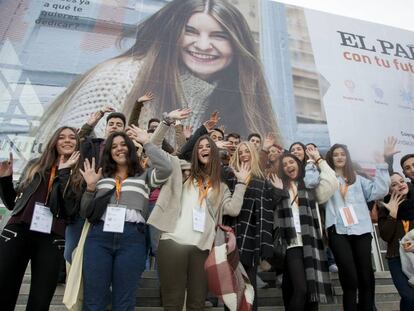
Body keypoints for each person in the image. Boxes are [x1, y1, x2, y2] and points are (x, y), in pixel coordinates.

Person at [36, 0, 281, 143]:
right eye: (191, 32)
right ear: (173, 33)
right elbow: (68, 147)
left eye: (219, 36)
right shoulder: (120, 77)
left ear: (238, 48)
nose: (204, 45)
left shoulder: (237, 100)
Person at [150, 134, 250, 310]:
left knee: (197, 304)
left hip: (202, 250)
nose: (204, 149)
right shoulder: (180, 170)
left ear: (215, 153)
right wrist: (166, 122)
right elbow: (153, 147)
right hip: (172, 242)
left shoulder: (221, 186)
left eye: (208, 146)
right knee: (173, 302)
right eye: (200, 147)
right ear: (195, 152)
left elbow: (233, 209)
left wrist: (241, 183)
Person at [79, 129, 172, 311]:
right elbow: (85, 212)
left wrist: (147, 144)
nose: (119, 149)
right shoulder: (100, 176)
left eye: (123, 145)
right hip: (99, 237)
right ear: (109, 152)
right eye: (114, 146)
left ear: (130, 148)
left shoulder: (145, 176)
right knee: (94, 300)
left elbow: (166, 168)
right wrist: (90, 188)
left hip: (132, 238)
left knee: (124, 301)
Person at [0, 126, 82, 311]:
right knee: (3, 289)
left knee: (40, 298)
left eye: (72, 137)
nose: (67, 140)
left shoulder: (79, 173)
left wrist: (63, 172)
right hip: (18, 230)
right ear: (54, 141)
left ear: (78, 143)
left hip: (52, 236)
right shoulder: (35, 164)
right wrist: (5, 179)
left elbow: (68, 209)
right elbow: (13, 204)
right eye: (61, 137)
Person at [324, 144, 390, 311]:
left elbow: (380, 191)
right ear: (331, 158)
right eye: (335, 155)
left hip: (361, 229)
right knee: (350, 277)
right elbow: (311, 184)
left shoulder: (358, 179)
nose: (339, 157)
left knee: (366, 276)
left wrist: (381, 165)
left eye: (342, 154)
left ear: (347, 157)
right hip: (338, 231)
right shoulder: (328, 179)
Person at [223, 141, 286, 310]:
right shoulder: (229, 174)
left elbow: (267, 207)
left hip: (253, 236)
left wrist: (278, 192)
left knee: (249, 285)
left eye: (247, 152)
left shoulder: (261, 178)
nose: (244, 155)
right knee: (232, 285)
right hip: (232, 233)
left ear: (253, 154)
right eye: (241, 152)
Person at [275, 150, 334, 311]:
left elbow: (330, 183)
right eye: (285, 164)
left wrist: (316, 161)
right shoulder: (279, 185)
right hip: (292, 243)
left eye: (291, 162)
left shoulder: (308, 184)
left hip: (311, 242)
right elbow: (271, 206)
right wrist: (278, 191)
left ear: (298, 165)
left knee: (311, 292)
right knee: (301, 289)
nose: (288, 166)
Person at [378, 172, 414, 311]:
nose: (400, 185)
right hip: (396, 258)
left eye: (401, 181)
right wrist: (392, 213)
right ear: (389, 190)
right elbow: (386, 236)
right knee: (409, 297)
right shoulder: (385, 208)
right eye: (394, 184)